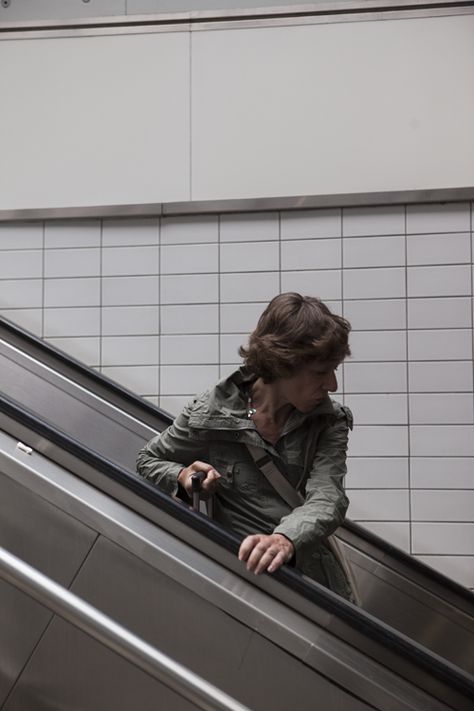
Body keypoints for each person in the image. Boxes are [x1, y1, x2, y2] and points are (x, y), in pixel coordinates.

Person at [136, 292, 354, 600]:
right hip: (237, 583)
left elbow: (328, 496)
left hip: (313, 585)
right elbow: (148, 459)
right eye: (320, 372)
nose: (332, 385)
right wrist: (183, 476)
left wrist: (284, 539)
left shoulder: (329, 422)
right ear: (283, 364)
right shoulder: (210, 413)